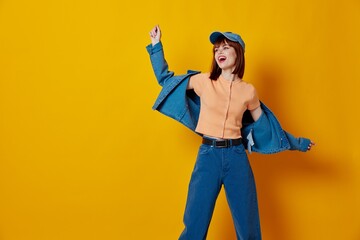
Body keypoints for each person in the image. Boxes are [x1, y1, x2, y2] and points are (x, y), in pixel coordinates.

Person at [147, 25, 315, 240]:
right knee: (195, 222)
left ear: (238, 52)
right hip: (208, 156)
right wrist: (156, 46)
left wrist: (297, 143)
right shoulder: (204, 81)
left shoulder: (249, 91)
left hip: (237, 157)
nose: (219, 53)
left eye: (225, 48)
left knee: (248, 224)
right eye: (216, 50)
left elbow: (267, 128)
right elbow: (167, 81)